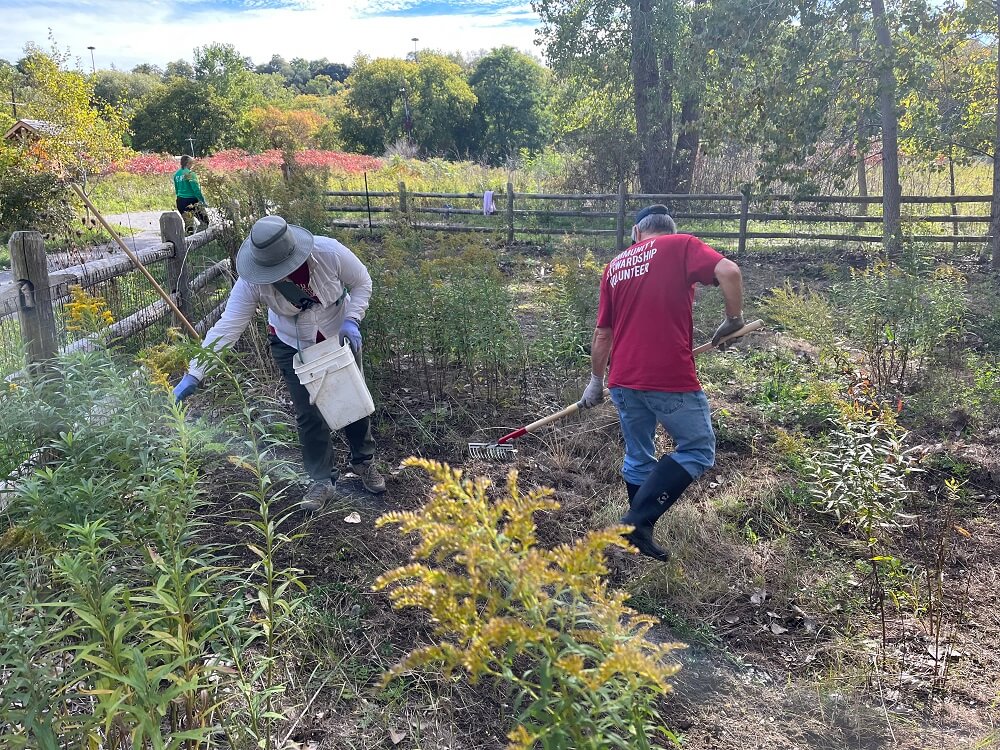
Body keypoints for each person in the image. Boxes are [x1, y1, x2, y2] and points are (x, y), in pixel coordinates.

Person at [172, 215, 386, 510]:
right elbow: (228, 325)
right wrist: (196, 371)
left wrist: (352, 319)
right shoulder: (252, 282)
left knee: (353, 400)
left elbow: (362, 282)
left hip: (339, 333)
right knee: (309, 412)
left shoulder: (329, 253)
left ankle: (364, 462)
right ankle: (321, 480)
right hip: (291, 342)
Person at [580, 205, 745, 561]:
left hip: (622, 380)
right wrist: (733, 320)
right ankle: (637, 522)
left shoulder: (615, 266)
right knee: (698, 448)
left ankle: (639, 530)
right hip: (668, 377)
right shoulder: (678, 245)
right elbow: (729, 271)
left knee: (639, 453)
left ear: (637, 233)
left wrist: (596, 381)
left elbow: (602, 334)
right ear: (669, 230)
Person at [173, 155, 210, 235]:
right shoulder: (190, 174)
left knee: (189, 225)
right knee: (205, 221)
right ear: (188, 163)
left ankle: (187, 242)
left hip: (180, 201)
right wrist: (202, 201)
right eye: (191, 162)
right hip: (192, 201)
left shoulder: (176, 175)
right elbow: (196, 189)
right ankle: (200, 239)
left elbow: (176, 190)